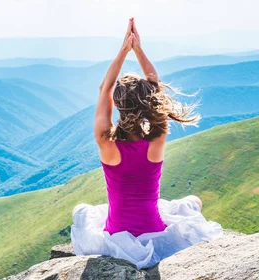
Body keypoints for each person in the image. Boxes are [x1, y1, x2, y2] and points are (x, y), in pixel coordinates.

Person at [70, 17, 223, 269]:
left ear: (117, 104)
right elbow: (155, 85)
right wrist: (139, 49)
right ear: (149, 102)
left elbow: (104, 88)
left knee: (81, 210)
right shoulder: (156, 140)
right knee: (193, 202)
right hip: (155, 230)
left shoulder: (106, 142)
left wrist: (123, 50)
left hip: (115, 233)